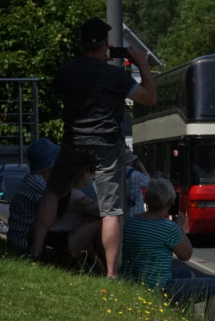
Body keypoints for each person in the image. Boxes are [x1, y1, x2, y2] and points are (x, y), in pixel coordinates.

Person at [29, 18, 157, 276]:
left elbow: (61, 87)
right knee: (110, 209)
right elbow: (149, 98)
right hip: (107, 145)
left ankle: (34, 251)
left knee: (53, 193)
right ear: (106, 43)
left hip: (73, 140)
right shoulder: (116, 76)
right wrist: (141, 63)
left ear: (82, 43)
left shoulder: (67, 70)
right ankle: (111, 273)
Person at [121, 177, 215, 321]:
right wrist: (180, 228)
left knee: (187, 273)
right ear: (170, 202)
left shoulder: (132, 221)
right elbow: (186, 255)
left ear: (147, 198)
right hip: (158, 288)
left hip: (132, 283)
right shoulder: (169, 228)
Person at [7, 138, 59, 254]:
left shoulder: (34, 181)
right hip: (24, 246)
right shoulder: (36, 184)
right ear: (50, 164)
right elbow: (58, 205)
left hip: (21, 242)